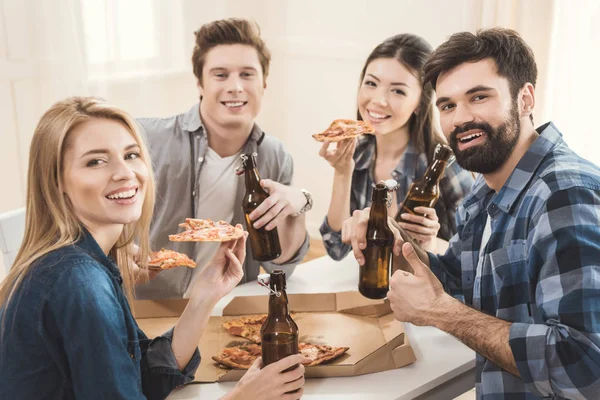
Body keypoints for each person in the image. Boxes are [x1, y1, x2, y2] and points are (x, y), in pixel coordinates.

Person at [342, 28, 600, 399]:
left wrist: (441, 314)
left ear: (525, 98)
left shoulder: (565, 194)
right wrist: (394, 243)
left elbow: (585, 366)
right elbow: (456, 280)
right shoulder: (488, 187)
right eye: (447, 105)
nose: (460, 119)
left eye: (478, 97)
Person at [0, 97, 307, 400]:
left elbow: (139, 378)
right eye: (96, 161)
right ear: (57, 182)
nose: (125, 173)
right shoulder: (80, 281)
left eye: (131, 155)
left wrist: (204, 296)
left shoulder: (87, 260)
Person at [137, 18, 311, 299]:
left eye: (247, 74)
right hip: (154, 307)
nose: (235, 87)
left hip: (229, 306)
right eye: (220, 75)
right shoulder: (149, 139)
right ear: (200, 83)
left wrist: (299, 203)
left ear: (264, 82)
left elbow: (279, 264)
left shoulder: (274, 155)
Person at [318, 34, 473, 259]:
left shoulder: (447, 166)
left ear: (420, 104)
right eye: (371, 83)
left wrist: (431, 244)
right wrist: (342, 173)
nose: (379, 100)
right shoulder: (359, 155)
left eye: (398, 90)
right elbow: (337, 247)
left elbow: (477, 253)